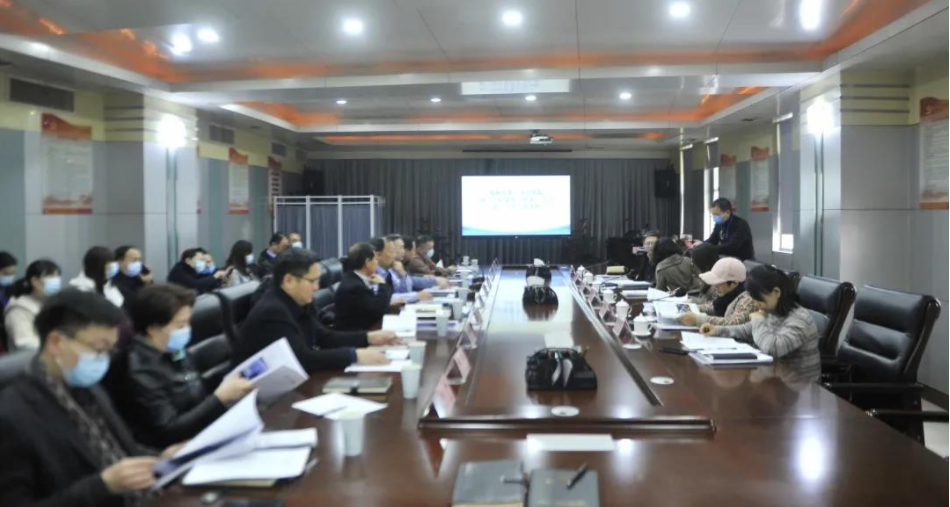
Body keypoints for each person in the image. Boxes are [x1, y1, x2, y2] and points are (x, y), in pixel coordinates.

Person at [0, 289, 183, 507]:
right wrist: (102, 486)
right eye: (98, 350)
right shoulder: (12, 416)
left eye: (109, 351)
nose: (103, 360)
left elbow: (121, 449)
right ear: (56, 342)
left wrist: (162, 457)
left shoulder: (88, 386)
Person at [111, 284, 254, 448]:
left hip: (208, 430)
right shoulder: (139, 371)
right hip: (178, 448)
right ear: (153, 329)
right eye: (180, 325)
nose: (187, 330)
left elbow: (194, 388)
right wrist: (219, 398)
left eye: (187, 323)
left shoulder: (173, 349)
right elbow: (169, 430)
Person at [235, 248, 399, 373]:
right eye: (312, 281)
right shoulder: (272, 311)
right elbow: (302, 359)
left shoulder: (299, 301)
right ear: (289, 280)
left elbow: (324, 337)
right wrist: (355, 355)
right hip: (259, 395)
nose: (317, 287)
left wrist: (369, 337)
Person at [700, 265, 820, 381]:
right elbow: (746, 330)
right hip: (773, 378)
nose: (755, 304)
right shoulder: (773, 311)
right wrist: (717, 330)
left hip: (799, 386)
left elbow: (773, 348)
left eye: (758, 298)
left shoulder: (800, 319)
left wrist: (758, 320)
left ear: (776, 292)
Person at [335, 242, 396, 331]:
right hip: (354, 335)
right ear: (367, 263)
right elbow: (378, 312)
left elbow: (373, 305)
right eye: (375, 259)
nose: (377, 263)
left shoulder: (356, 278)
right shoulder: (355, 287)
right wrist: (382, 285)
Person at [678, 257, 755, 327]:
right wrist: (690, 308)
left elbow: (734, 322)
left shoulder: (747, 299)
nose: (715, 287)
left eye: (718, 284)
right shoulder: (728, 295)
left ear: (734, 283)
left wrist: (698, 319)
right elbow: (713, 306)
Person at [4, 259, 62, 350]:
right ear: (35, 281)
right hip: (30, 358)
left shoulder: (55, 303)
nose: (55, 281)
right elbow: (25, 343)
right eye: (50, 276)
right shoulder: (18, 310)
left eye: (57, 276)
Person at [382, 235, 438, 300]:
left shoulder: (398, 266)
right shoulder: (387, 270)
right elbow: (400, 293)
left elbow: (405, 290)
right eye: (401, 247)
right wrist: (416, 295)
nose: (404, 251)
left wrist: (404, 275)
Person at [112, 246, 153, 311]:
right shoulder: (114, 281)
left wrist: (147, 283)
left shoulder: (141, 277)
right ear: (120, 261)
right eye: (134, 260)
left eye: (139, 260)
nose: (138, 263)